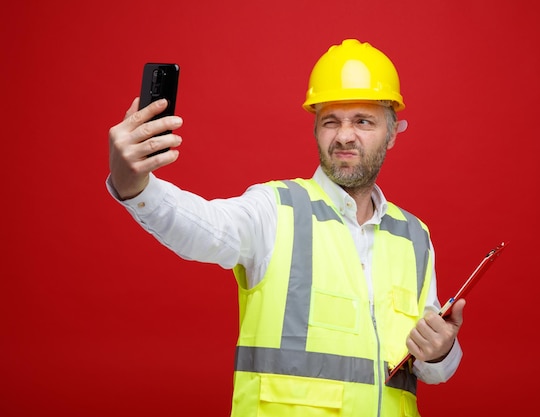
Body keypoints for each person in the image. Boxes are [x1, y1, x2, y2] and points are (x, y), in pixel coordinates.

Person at [107, 39, 465, 416]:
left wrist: (441, 351)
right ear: (316, 130)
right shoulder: (275, 210)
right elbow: (203, 228)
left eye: (363, 121)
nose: (345, 135)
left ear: (391, 134)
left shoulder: (414, 236)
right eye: (331, 121)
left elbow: (430, 366)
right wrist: (134, 185)